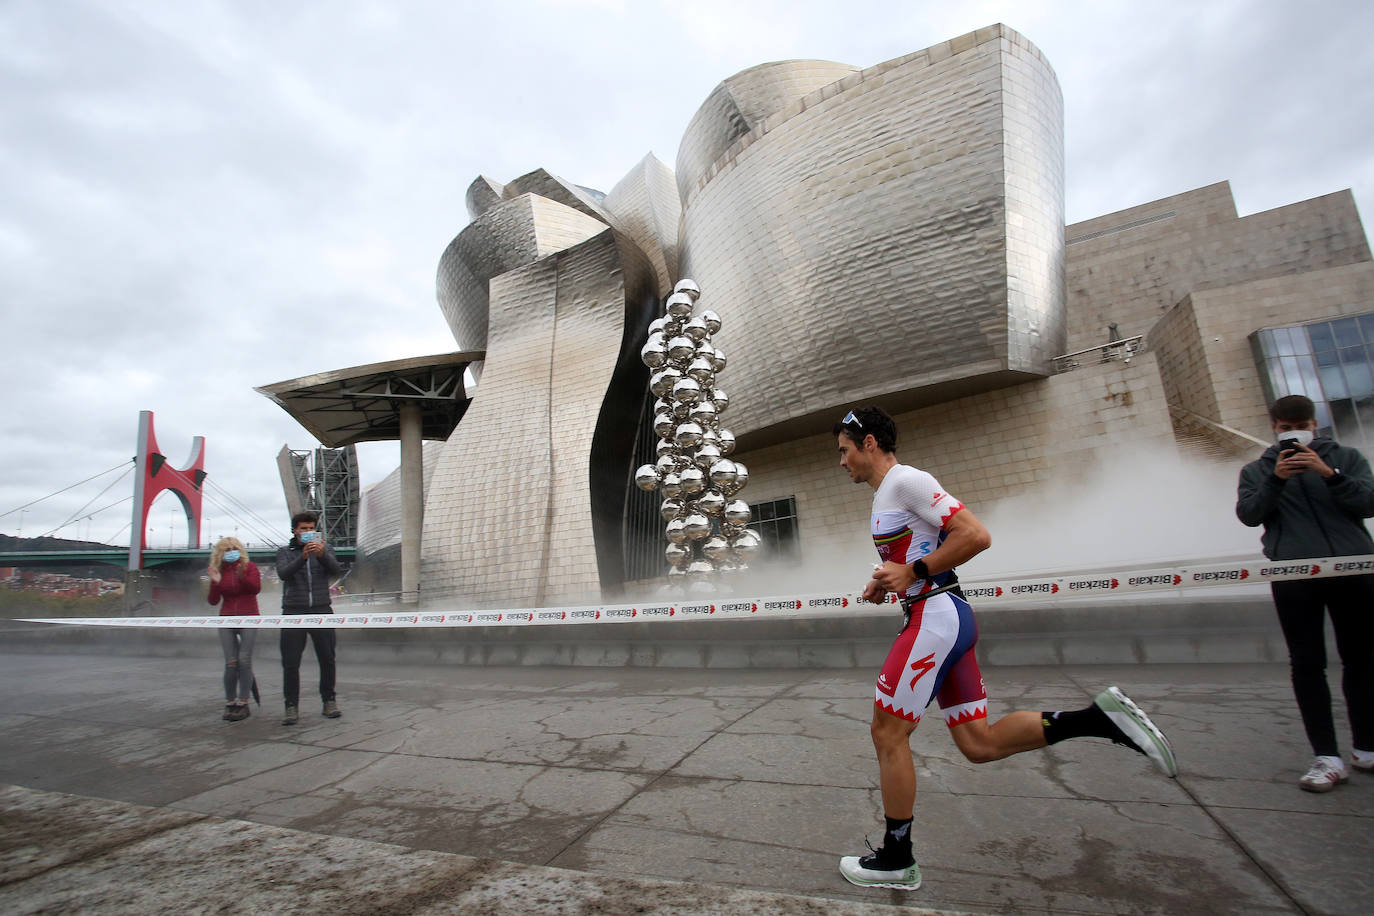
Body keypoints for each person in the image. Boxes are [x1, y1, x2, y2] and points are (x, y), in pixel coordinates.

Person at [831, 406, 1177, 892]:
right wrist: (892, 582)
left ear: (869, 443)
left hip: (935, 620)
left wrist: (913, 574)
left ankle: (897, 858)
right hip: (943, 615)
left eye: (844, 451)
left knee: (888, 734)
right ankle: (1099, 719)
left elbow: (975, 535)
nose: (841, 462)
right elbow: (917, 554)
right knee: (979, 744)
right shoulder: (889, 494)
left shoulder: (906, 480)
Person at [1236, 394, 1374, 792]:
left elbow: (1367, 503)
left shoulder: (1347, 458)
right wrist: (1276, 479)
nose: (1295, 433)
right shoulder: (1256, 470)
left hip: (1354, 572)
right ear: (1274, 427)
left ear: (1315, 424)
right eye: (1285, 428)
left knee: (1362, 660)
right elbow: (1249, 515)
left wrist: (1329, 473)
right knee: (1308, 664)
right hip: (1295, 577)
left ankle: (1366, 746)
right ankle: (1326, 757)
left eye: (1301, 425)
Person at [276, 511, 344, 725]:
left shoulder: (325, 548)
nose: (307, 532)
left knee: (327, 657)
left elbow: (336, 571)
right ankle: (291, 706)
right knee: (290, 662)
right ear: (294, 530)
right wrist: (302, 557)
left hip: (321, 609)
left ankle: (329, 700)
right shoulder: (285, 552)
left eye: (311, 528)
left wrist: (322, 554)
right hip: (293, 611)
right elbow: (283, 574)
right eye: (303, 529)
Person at [206, 536, 262, 722]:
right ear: (220, 554)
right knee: (231, 662)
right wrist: (215, 581)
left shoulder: (250, 567)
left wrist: (241, 575)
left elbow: (255, 588)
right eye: (227, 550)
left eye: (234, 548)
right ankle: (230, 702)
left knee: (244, 659)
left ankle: (243, 702)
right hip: (227, 618)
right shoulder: (219, 570)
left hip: (249, 617)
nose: (231, 552)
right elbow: (213, 601)